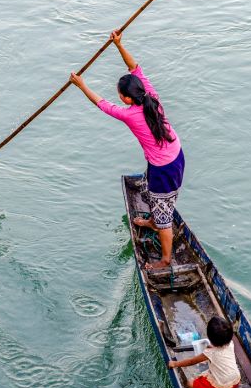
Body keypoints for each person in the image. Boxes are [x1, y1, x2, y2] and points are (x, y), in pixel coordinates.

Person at [69, 30, 185, 270]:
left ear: (126, 98)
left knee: (165, 217)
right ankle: (153, 220)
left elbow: (101, 103)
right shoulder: (151, 96)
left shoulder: (129, 114)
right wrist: (119, 44)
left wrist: (81, 85)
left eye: (120, 94)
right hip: (174, 156)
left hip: (164, 168)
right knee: (154, 194)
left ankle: (165, 259)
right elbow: (135, 68)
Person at [167, 316, 241, 388]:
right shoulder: (230, 343)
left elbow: (191, 361)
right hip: (236, 380)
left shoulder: (211, 352)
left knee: (189, 383)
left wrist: (175, 364)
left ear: (209, 336)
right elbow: (220, 350)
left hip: (222, 387)